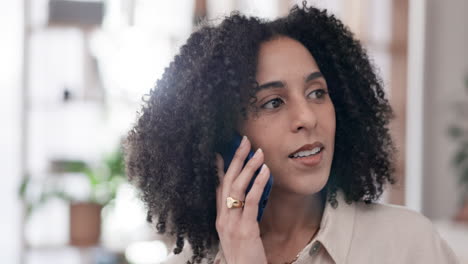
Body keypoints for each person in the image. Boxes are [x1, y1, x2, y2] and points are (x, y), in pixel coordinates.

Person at [124, 3, 459, 264]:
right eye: (273, 103)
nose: (307, 117)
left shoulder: (407, 245)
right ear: (223, 134)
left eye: (317, 93)